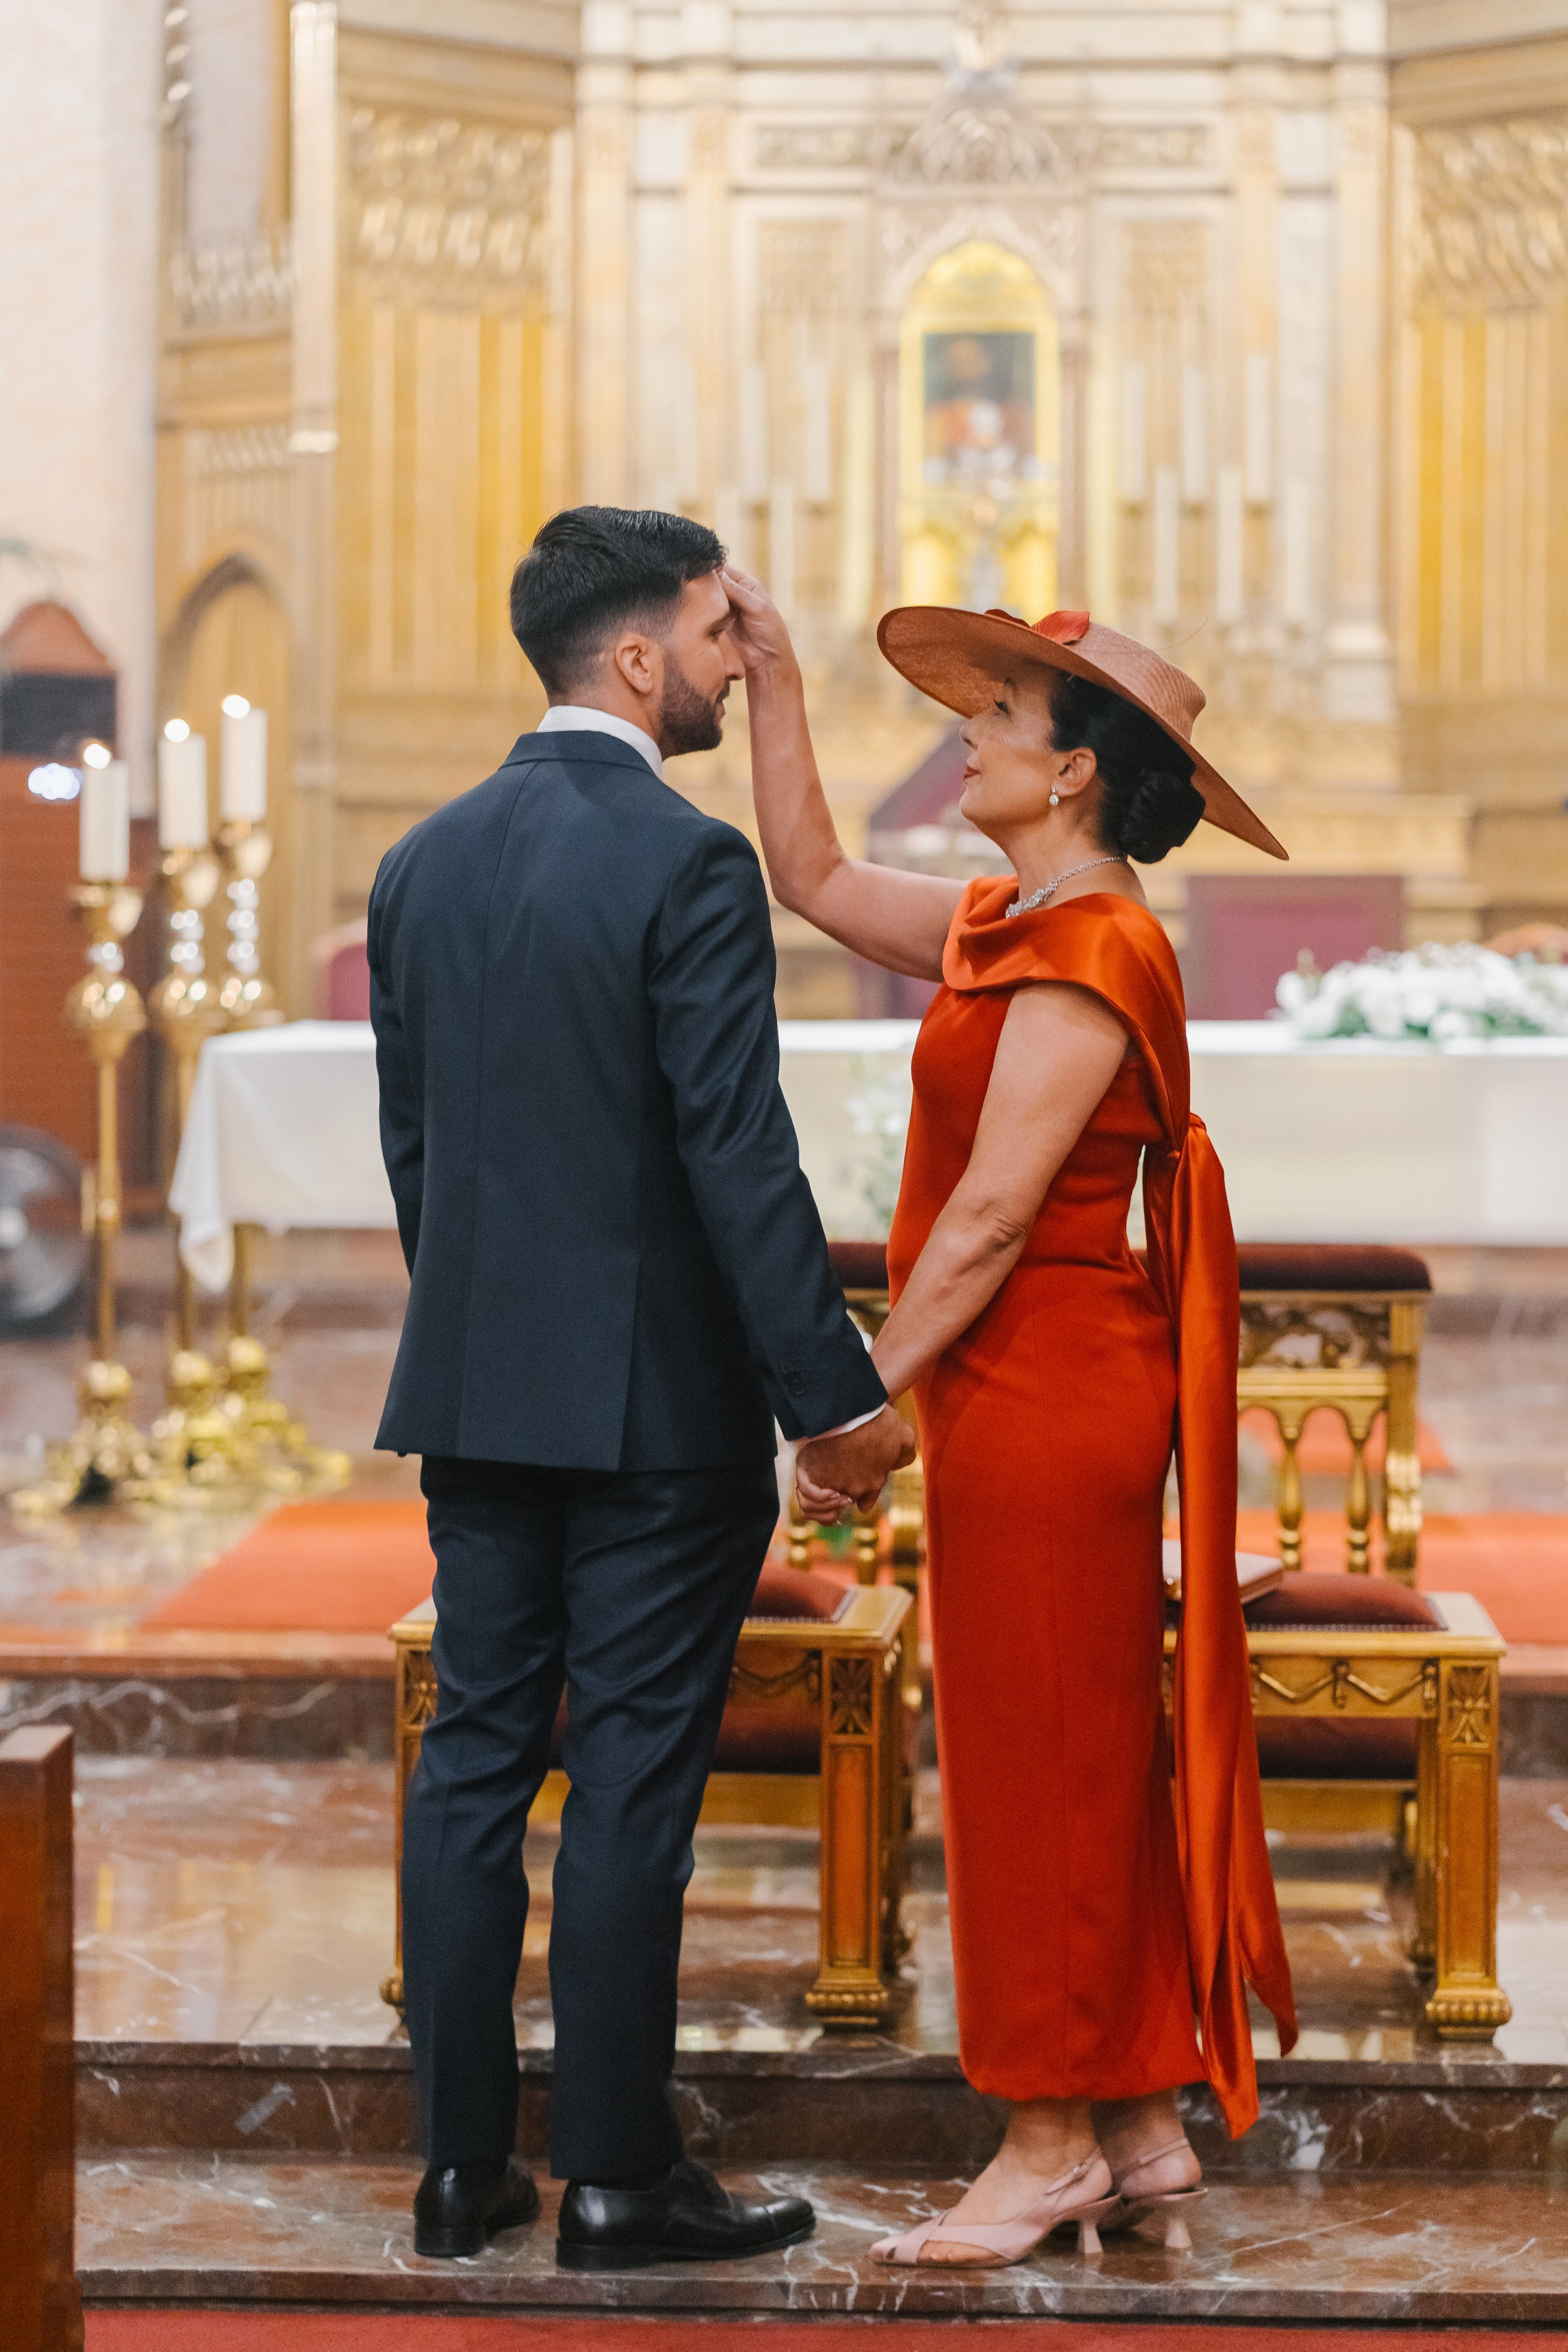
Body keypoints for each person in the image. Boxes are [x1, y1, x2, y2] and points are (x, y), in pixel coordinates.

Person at [368, 507, 913, 2267]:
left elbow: (419, 1158)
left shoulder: (421, 862)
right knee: (628, 1793)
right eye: (710, 631)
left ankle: (461, 2173)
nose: (726, 656)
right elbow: (734, 1158)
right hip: (659, 1423)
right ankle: (616, 2177)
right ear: (635, 658)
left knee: (468, 1769)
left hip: (474, 1393)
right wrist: (829, 1398)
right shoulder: (685, 865)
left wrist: (476, 1329)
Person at [735, 581, 1300, 2270]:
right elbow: (814, 878)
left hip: (1050, 1384)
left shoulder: (1099, 944)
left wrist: (854, 1401)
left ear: (1069, 777)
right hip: (1015, 1379)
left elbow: (988, 1217)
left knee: (1037, 1760)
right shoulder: (1010, 919)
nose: (966, 732)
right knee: (1065, 1748)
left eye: (999, 719)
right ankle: (1134, 2116)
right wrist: (773, 681)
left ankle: (1045, 2137)